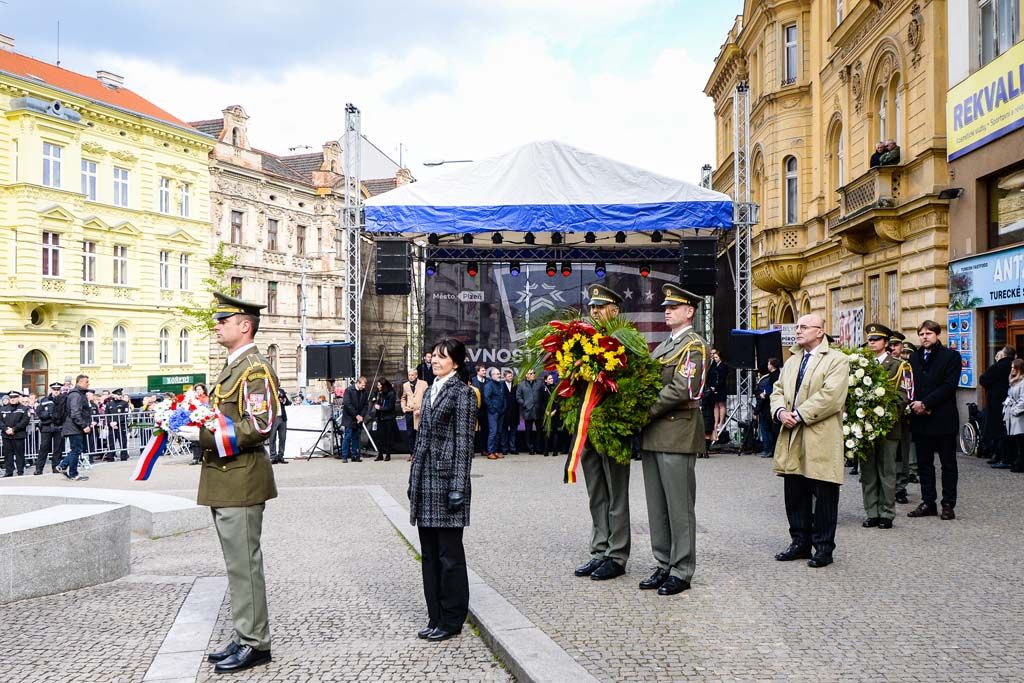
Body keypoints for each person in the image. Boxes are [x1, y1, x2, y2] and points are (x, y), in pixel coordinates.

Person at [182, 292, 279, 674]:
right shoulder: (234, 366)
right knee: (236, 564)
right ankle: (245, 634)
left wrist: (202, 436)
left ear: (245, 325)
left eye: (224, 320)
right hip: (227, 477)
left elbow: (260, 425)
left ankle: (256, 643)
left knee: (244, 566)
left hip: (240, 478)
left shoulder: (253, 369)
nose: (217, 325)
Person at [637, 284, 709, 595]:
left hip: (677, 431)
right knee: (658, 506)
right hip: (656, 433)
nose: (666, 310)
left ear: (689, 311)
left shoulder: (694, 346)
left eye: (674, 306)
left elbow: (684, 389)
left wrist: (644, 411)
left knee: (679, 508)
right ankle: (663, 562)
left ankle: (682, 569)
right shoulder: (665, 344)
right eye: (665, 306)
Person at [408, 338, 476, 643]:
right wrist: (413, 479)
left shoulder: (463, 393)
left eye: (442, 357)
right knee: (430, 556)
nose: (435, 360)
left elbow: (464, 443)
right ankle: (434, 615)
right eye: (434, 355)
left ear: (456, 363)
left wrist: (458, 486)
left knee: (450, 557)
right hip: (426, 482)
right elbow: (420, 440)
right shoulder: (430, 388)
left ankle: (451, 619)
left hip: (448, 483)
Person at [770, 313, 850, 569]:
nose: (798, 331)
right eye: (797, 327)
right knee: (795, 490)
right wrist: (780, 412)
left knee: (824, 490)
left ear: (820, 331)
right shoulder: (793, 360)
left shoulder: (837, 360)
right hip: (791, 432)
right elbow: (778, 390)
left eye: (804, 327)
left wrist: (800, 413)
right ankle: (799, 541)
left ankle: (824, 547)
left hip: (820, 433)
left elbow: (832, 396)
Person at [574, 284, 632, 582]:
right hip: (589, 427)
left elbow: (633, 385)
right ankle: (599, 550)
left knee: (616, 494)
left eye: (601, 306)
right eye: (592, 307)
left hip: (612, 428)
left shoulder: (625, 340)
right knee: (596, 492)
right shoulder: (582, 341)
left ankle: (617, 554)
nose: (594, 311)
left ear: (615, 310)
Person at [907, 320, 962, 521]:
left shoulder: (951, 356)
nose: (925, 337)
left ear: (937, 335)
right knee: (924, 464)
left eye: (929, 333)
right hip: (920, 420)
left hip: (943, 418)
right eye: (921, 334)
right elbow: (909, 384)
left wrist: (927, 403)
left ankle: (948, 503)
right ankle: (928, 501)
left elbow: (949, 386)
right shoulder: (914, 357)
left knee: (948, 464)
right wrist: (914, 403)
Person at [860, 323, 912, 530]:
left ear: (885, 343)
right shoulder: (860, 365)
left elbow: (903, 395)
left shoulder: (899, 365)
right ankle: (871, 511)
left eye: (876, 340)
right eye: (870, 340)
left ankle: (887, 513)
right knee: (868, 471)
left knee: (887, 471)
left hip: (888, 426)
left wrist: (881, 414)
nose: (872, 343)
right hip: (863, 426)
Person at [890, 330, 917, 503]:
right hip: (883, 416)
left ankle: (900, 487)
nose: (893, 348)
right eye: (890, 345)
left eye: (896, 345)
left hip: (902, 416)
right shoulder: (883, 364)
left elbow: (910, 390)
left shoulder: (906, 365)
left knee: (902, 453)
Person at [981, 346, 1016, 468]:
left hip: (997, 402)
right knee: (1007, 429)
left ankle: (1001, 457)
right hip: (1011, 401)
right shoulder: (1014, 365)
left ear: (1003, 355)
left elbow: (983, 379)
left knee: (998, 430)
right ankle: (1002, 456)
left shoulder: (998, 366)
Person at [60, 375, 92, 482]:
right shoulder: (76, 395)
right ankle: (73, 473)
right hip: (74, 427)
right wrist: (84, 425)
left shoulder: (78, 394)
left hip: (74, 426)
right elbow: (75, 413)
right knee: (76, 450)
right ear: (80, 382)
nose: (88, 384)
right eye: (86, 382)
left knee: (76, 449)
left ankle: (63, 466)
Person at [33, 382, 64, 475]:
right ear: (51, 390)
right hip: (47, 427)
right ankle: (39, 469)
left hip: (59, 426)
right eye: (54, 389)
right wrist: (48, 415)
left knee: (58, 448)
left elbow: (66, 412)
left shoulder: (63, 400)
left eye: (58, 389)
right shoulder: (44, 400)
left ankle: (56, 467)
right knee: (44, 448)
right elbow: (39, 412)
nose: (56, 391)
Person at [401, 369, 428, 461]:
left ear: (416, 375)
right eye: (409, 375)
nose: (410, 377)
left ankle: (420, 454)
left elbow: (427, 398)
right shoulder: (405, 385)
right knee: (410, 434)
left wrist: (421, 409)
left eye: (412, 375)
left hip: (419, 412)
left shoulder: (423, 384)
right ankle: (412, 453)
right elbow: (403, 398)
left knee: (419, 433)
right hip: (409, 412)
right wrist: (403, 407)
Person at [756, 358, 781, 458]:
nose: (767, 366)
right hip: (773, 405)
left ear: (771, 365)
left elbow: (771, 389)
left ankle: (768, 450)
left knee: (766, 428)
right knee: (773, 429)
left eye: (768, 364)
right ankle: (774, 450)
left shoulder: (772, 377)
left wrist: (764, 395)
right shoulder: (778, 375)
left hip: (768, 405)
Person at [1002, 359, 1024, 472]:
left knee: (1020, 439)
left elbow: (1023, 400)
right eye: (1011, 367)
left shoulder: (1022, 382)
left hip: (1019, 416)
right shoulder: (1013, 381)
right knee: (1015, 439)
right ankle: (1016, 461)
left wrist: (1015, 411)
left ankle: (1021, 463)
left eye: (1015, 368)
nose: (1012, 370)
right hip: (1011, 414)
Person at [516, 369, 545, 455]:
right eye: (531, 373)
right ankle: (531, 448)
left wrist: (542, 406)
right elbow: (518, 397)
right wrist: (525, 404)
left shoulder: (539, 383)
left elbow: (543, 396)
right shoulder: (521, 385)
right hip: (528, 411)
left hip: (538, 410)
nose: (533, 374)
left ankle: (538, 448)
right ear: (526, 375)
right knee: (528, 432)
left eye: (534, 373)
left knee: (539, 431)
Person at [1, 391, 30, 477]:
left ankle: (20, 471)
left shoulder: (24, 408)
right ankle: (9, 471)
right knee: (7, 454)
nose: (12, 399)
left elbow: (24, 421)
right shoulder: (3, 409)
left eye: (14, 397)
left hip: (18, 435)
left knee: (19, 454)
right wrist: (6, 429)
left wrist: (14, 429)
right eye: (11, 398)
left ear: (18, 398)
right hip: (6, 435)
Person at [370, 378, 398, 462]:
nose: (378, 386)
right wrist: (374, 399)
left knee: (388, 437)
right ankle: (380, 454)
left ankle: (388, 454)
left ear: (383, 385)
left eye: (379, 385)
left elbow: (390, 407)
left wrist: (380, 408)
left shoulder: (391, 393)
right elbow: (373, 396)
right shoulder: (378, 392)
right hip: (380, 417)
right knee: (380, 436)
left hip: (388, 418)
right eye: (377, 385)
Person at [340, 377, 368, 463]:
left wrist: (361, 416)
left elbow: (365, 405)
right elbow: (347, 404)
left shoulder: (364, 392)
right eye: (362, 385)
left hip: (358, 418)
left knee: (356, 437)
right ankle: (344, 456)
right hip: (349, 417)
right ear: (358, 383)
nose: (364, 387)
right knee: (348, 436)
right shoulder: (349, 390)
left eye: (364, 385)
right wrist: (356, 415)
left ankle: (355, 455)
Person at [705, 349, 728, 445]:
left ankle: (721, 422)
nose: (715, 359)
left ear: (720, 357)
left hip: (720, 387)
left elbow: (722, 378)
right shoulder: (713, 365)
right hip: (713, 387)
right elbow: (710, 374)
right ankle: (715, 422)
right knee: (715, 405)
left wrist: (716, 386)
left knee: (721, 404)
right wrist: (711, 386)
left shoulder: (724, 366)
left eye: (716, 357)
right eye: (714, 357)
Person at [483, 368, 505, 460]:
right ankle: (490, 452)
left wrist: (503, 408)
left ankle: (495, 451)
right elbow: (486, 398)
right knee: (493, 432)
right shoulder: (489, 385)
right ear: (492, 375)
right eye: (497, 374)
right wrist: (492, 409)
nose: (499, 375)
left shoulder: (500, 384)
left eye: (499, 373)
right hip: (493, 412)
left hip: (501, 411)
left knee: (498, 432)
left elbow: (503, 397)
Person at [541, 372, 564, 457]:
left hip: (555, 413)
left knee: (555, 432)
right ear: (546, 380)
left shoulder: (556, 388)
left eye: (552, 378)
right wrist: (546, 412)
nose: (552, 380)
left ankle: (555, 451)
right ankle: (546, 450)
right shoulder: (543, 389)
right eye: (549, 379)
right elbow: (542, 402)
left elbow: (558, 401)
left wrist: (555, 411)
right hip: (547, 413)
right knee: (546, 432)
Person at [105, 388, 131, 462]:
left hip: (121, 425)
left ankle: (123, 457)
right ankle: (111, 457)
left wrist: (116, 422)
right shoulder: (109, 404)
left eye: (120, 394)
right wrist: (110, 423)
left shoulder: (124, 403)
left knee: (123, 441)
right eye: (118, 394)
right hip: (111, 426)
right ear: (114, 395)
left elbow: (124, 415)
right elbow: (107, 415)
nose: (119, 396)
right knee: (111, 442)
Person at [268, 385, 289, 465]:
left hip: (282, 418)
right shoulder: (269, 390)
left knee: (282, 438)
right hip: (273, 418)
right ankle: (273, 457)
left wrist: (283, 400)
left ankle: (281, 456)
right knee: (272, 438)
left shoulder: (281, 391)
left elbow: (288, 402)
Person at [500, 369, 519, 455]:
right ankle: (504, 448)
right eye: (509, 376)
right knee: (504, 431)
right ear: (504, 377)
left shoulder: (516, 385)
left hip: (514, 412)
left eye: (511, 376)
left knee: (513, 432)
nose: (511, 377)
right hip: (504, 413)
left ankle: (513, 448)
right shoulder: (501, 385)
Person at [471, 365, 489, 457]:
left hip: (485, 410)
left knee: (485, 430)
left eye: (485, 370)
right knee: (474, 431)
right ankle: (472, 450)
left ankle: (484, 450)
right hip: (475, 409)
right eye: (483, 370)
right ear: (478, 372)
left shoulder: (488, 381)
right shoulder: (473, 381)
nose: (484, 372)